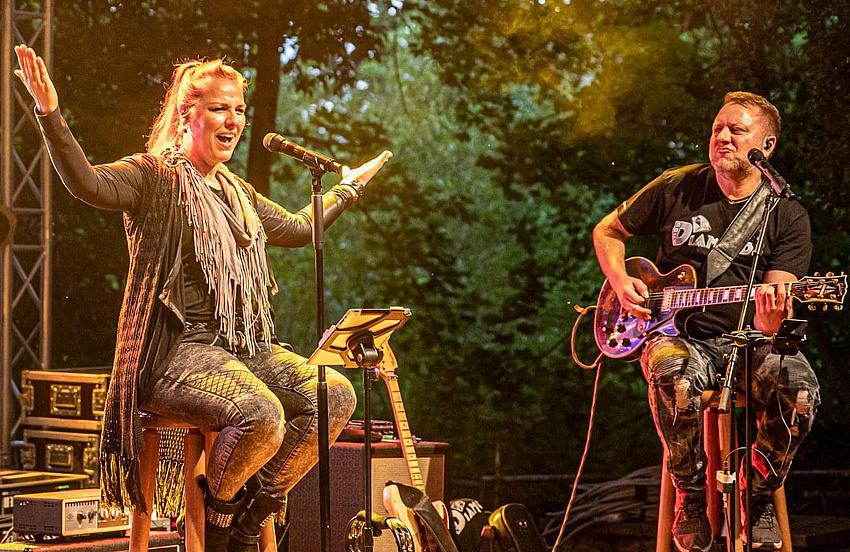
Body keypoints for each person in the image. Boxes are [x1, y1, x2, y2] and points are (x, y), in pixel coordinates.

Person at [15, 44, 392, 551]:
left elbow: (303, 228)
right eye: (220, 108)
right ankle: (220, 528)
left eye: (239, 109)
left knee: (335, 395)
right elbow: (85, 184)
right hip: (174, 355)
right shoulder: (154, 177)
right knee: (261, 413)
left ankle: (242, 512)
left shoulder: (239, 194)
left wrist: (346, 188)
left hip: (241, 350)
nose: (233, 119)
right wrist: (50, 114)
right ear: (187, 114)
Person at [593, 92, 819, 551]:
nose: (722, 137)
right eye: (718, 127)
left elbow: (774, 313)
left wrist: (774, 314)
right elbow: (607, 231)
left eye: (737, 130)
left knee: (799, 389)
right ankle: (690, 493)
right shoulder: (678, 186)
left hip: (752, 340)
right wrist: (620, 282)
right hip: (681, 337)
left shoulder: (787, 214)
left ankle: (759, 489)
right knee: (671, 371)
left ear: (766, 146)